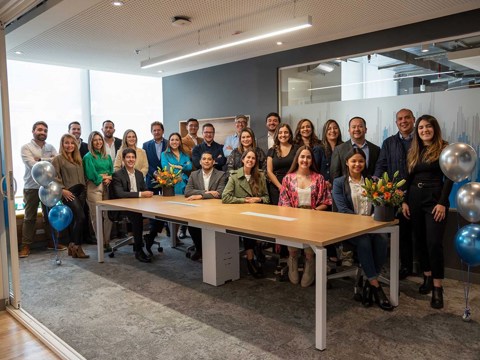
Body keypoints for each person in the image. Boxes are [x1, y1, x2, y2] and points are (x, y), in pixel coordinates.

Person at [401, 115, 453, 309]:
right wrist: (404, 201)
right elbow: (408, 177)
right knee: (420, 240)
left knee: (434, 243)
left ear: (435, 128)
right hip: (414, 198)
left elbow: (450, 178)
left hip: (435, 200)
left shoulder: (445, 148)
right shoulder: (414, 150)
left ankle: (438, 288)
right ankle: (427, 277)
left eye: (428, 127)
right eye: (421, 128)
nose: (424, 130)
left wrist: (442, 202)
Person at [332, 148, 393, 311]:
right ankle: (375, 286)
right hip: (349, 229)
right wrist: (364, 224)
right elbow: (343, 210)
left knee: (382, 239)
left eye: (360, 161)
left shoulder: (372, 182)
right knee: (364, 242)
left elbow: (378, 206)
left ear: (365, 162)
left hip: (372, 227)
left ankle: (367, 281)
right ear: (347, 162)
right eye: (353, 161)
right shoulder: (339, 183)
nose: (357, 164)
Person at [279, 146, 332, 287]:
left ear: (312, 160)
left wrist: (313, 212)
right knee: (293, 248)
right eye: (302, 157)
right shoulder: (288, 179)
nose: (305, 160)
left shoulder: (319, 178)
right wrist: (295, 216)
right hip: (293, 219)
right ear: (297, 159)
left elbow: (326, 201)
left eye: (308, 157)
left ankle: (309, 263)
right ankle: (293, 260)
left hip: (313, 219)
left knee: (309, 251)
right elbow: (284, 202)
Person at [374, 109, 415, 279]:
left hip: (416, 193)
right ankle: (404, 267)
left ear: (414, 120)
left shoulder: (420, 141)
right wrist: (377, 187)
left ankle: (417, 267)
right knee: (401, 233)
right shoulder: (389, 142)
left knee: (417, 233)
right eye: (400, 119)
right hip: (394, 195)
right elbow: (381, 165)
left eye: (407, 118)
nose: (403, 121)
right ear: (396, 123)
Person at [222, 150, 270, 278]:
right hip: (241, 215)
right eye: (248, 157)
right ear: (242, 159)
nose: (250, 160)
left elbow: (267, 198)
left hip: (258, 214)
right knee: (248, 228)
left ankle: (256, 251)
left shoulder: (260, 176)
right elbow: (225, 197)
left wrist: (258, 199)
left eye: (253, 158)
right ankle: (250, 259)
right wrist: (244, 200)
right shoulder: (234, 175)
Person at [19, 121, 62, 257]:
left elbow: (57, 162)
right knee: (29, 218)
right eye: (39, 130)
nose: (42, 132)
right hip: (31, 187)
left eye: (45, 130)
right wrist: (47, 159)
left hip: (48, 187)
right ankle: (25, 246)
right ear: (33, 131)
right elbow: (33, 165)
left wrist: (41, 159)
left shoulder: (50, 146)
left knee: (49, 216)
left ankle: (52, 242)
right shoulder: (26, 148)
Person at [112, 148, 154, 263]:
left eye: (133, 157)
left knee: (158, 215)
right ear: (124, 160)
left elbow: (144, 189)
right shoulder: (117, 175)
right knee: (137, 217)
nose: (131, 160)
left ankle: (150, 238)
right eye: (128, 157)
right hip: (124, 207)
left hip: (140, 205)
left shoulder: (139, 174)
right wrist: (141, 194)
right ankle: (138, 250)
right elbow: (120, 194)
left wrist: (148, 193)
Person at [184, 152, 227, 261]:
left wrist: (199, 196)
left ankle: (211, 252)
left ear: (213, 162)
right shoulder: (194, 174)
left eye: (209, 159)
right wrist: (205, 192)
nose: (206, 161)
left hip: (216, 210)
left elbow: (220, 193)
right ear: (200, 162)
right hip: (198, 210)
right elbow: (187, 191)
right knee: (192, 225)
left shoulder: (221, 174)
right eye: (204, 159)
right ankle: (200, 250)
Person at [52, 134, 89, 259]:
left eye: (72, 143)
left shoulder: (78, 159)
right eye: (66, 143)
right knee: (81, 217)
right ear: (62, 144)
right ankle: (77, 246)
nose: (70, 145)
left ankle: (72, 246)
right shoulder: (58, 159)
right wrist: (62, 190)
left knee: (76, 220)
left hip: (81, 191)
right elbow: (54, 176)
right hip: (69, 192)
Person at [83, 131, 114, 250]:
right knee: (96, 216)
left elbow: (111, 172)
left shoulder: (107, 156)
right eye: (95, 140)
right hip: (94, 187)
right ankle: (100, 242)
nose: (98, 142)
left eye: (100, 139)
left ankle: (107, 241)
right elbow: (91, 175)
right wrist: (104, 177)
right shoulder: (88, 157)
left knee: (108, 216)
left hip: (107, 187)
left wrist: (109, 178)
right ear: (91, 142)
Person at [143, 121, 170, 243]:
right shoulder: (146, 145)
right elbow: (146, 163)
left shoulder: (169, 143)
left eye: (159, 130)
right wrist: (155, 173)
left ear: (162, 131)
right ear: (151, 131)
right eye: (154, 130)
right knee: (154, 206)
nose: (157, 132)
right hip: (152, 179)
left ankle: (163, 229)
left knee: (167, 206)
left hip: (168, 180)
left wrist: (165, 175)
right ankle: (153, 230)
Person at [266, 123, 298, 205]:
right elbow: (269, 171)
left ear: (290, 135)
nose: (283, 135)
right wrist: (280, 187)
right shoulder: (271, 150)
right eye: (280, 132)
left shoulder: (297, 149)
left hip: (293, 184)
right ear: (277, 135)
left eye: (286, 132)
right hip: (275, 186)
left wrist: (289, 186)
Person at [315, 119, 343, 185]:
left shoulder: (345, 147)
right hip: (324, 186)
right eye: (329, 129)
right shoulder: (318, 149)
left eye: (335, 128)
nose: (332, 131)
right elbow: (314, 171)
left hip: (341, 187)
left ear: (339, 131)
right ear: (325, 132)